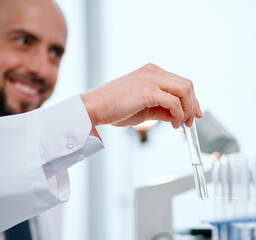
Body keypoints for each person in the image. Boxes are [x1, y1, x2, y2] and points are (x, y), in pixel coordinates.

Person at [0, 0, 202, 239]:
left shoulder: (44, 168)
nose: (42, 69)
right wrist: (93, 107)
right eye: (23, 41)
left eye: (55, 53)